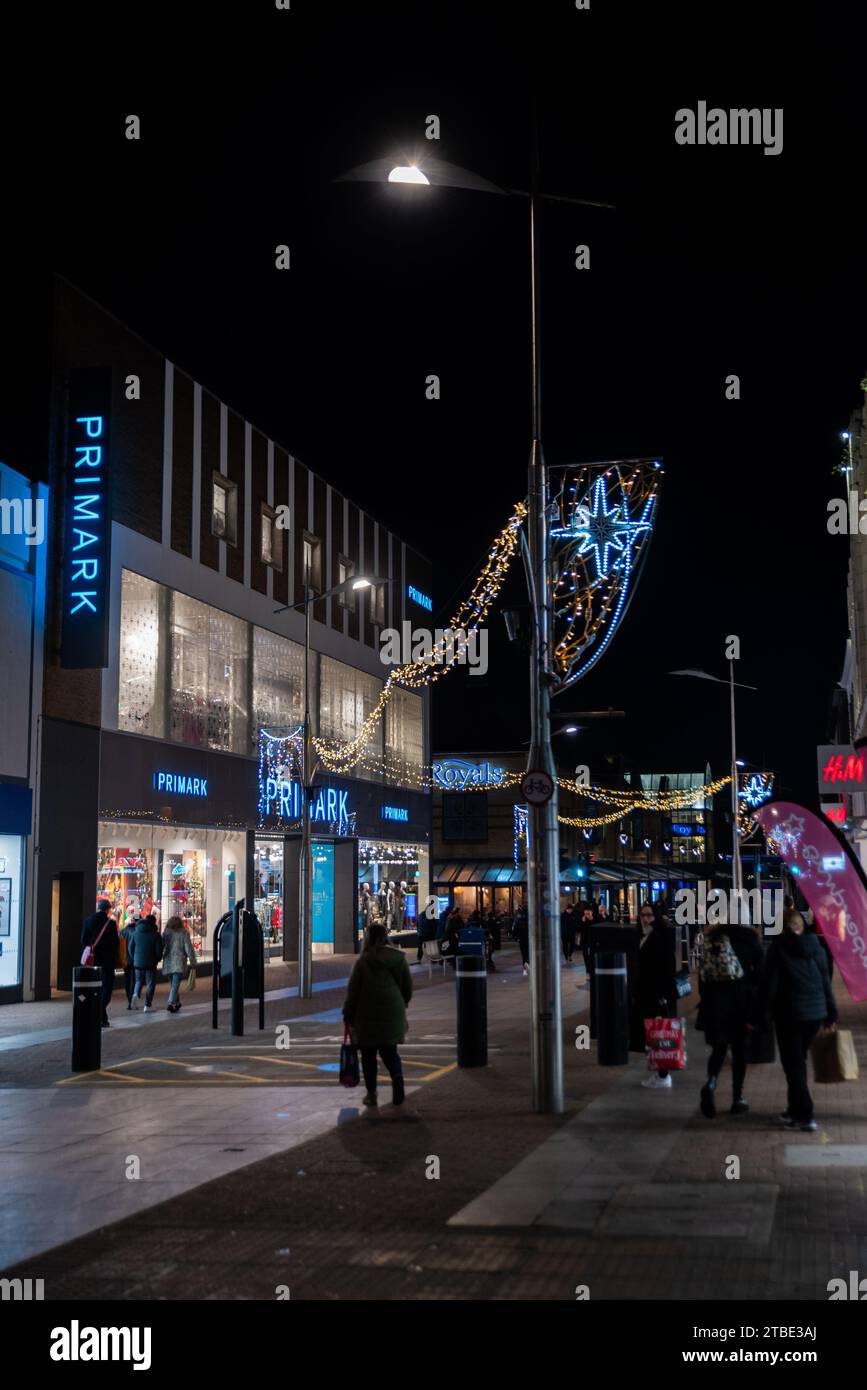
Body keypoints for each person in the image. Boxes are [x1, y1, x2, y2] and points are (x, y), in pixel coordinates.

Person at [759, 908, 837, 1132]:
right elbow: (825, 982)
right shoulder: (816, 947)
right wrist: (831, 1014)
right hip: (814, 1015)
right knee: (797, 1062)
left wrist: (760, 1016)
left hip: (789, 1015)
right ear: (801, 926)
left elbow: (768, 986)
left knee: (793, 1066)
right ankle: (794, 1108)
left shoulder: (778, 949)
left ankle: (805, 1114)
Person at [696, 918, 763, 1118]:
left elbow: (703, 976)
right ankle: (737, 1098)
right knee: (739, 1051)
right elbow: (760, 973)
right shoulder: (750, 939)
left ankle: (711, 1082)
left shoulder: (713, 937)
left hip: (715, 1004)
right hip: (740, 1004)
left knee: (718, 1048)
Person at [343, 919, 413, 1108]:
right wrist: (401, 1004)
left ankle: (372, 1094)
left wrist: (347, 1014)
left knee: (368, 1055)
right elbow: (408, 988)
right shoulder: (398, 959)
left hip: (367, 1013)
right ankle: (397, 1077)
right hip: (392, 1010)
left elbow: (353, 991)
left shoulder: (363, 961)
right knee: (390, 1051)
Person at [635, 902, 678, 1090]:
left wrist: (662, 994)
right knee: (655, 1033)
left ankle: (663, 1075)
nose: (645, 918)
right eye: (643, 915)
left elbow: (665, 966)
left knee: (660, 1033)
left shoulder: (659, 935)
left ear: (656, 916)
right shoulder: (645, 934)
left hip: (658, 994)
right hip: (650, 992)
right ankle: (660, 1074)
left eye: (649, 915)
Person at [81, 899, 120, 1028]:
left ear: (98, 907)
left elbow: (83, 940)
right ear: (108, 909)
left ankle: (100, 1017)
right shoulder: (111, 924)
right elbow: (115, 944)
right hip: (107, 962)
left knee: (93, 989)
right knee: (106, 990)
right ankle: (100, 1015)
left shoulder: (88, 921)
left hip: (91, 962)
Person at [161, 914, 197, 1013]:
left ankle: (177, 1003)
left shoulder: (166, 933)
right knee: (175, 984)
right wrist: (193, 960)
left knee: (173, 984)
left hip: (168, 961)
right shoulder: (184, 933)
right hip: (179, 961)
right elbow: (188, 947)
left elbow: (162, 945)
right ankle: (171, 1002)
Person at [129, 912, 163, 1012]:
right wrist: (157, 959)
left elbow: (130, 948)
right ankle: (147, 1005)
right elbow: (158, 951)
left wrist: (134, 958)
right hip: (151, 963)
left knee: (138, 981)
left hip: (138, 963)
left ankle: (135, 995)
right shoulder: (155, 935)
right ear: (154, 922)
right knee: (150, 983)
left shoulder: (136, 932)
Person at [119, 907, 139, 1009]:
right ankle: (132, 1000)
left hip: (125, 959)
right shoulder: (137, 932)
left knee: (127, 980)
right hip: (134, 959)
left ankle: (129, 999)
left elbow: (120, 945)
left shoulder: (123, 931)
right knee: (135, 980)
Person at [513, 904, 529, 975]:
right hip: (529, 937)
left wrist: (515, 937)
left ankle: (525, 967)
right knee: (529, 952)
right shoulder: (530, 916)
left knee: (524, 953)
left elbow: (515, 927)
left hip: (522, 938)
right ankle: (528, 963)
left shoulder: (518, 916)